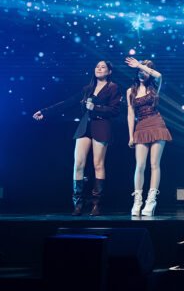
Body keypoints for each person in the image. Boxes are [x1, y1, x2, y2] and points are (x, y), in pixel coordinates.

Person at [32, 60, 121, 215]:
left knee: (98, 164)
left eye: (103, 67)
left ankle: (96, 204)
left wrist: (96, 107)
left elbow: (115, 110)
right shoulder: (87, 89)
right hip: (85, 125)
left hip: (101, 125)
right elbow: (68, 103)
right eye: (97, 66)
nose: (99, 69)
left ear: (109, 72)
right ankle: (78, 203)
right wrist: (45, 112)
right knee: (78, 164)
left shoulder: (113, 88)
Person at [125, 57, 172, 216]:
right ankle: (137, 200)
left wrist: (140, 64)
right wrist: (131, 135)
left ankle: (151, 201)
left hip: (157, 124)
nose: (142, 73)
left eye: (145, 71)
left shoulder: (154, 86)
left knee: (154, 164)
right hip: (141, 127)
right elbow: (130, 114)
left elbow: (159, 75)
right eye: (139, 70)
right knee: (140, 165)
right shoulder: (130, 91)